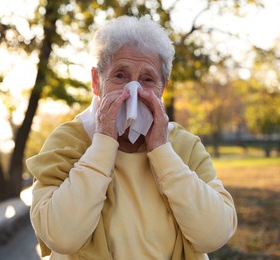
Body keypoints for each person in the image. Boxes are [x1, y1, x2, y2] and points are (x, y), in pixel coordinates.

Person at [26, 15, 237, 260]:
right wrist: (103, 142)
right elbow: (61, 236)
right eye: (120, 76)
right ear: (97, 82)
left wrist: (162, 151)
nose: (133, 92)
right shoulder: (68, 140)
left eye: (147, 79)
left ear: (163, 88)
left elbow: (214, 235)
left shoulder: (184, 145)